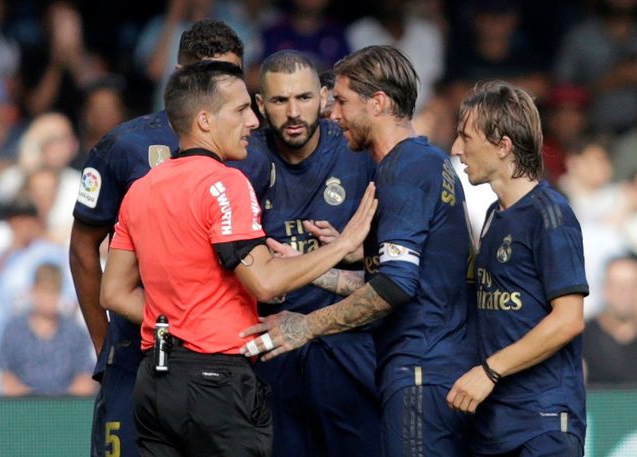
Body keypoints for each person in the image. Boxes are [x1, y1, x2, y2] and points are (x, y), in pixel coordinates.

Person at [99, 60, 376, 457]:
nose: (252, 121)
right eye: (241, 109)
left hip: (156, 381)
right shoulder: (226, 183)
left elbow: (113, 292)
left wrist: (178, 325)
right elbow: (263, 281)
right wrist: (341, 245)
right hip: (217, 381)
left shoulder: (142, 189)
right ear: (206, 121)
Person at [240, 45, 477, 457]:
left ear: (378, 103)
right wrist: (313, 270)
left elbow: (396, 286)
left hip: (422, 368)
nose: (334, 115)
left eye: (343, 102)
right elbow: (409, 279)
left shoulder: (404, 170)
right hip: (424, 366)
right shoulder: (418, 162)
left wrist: (306, 325)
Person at [69, 19, 245, 457]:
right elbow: (82, 248)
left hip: (223, 358)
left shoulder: (251, 149)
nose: (217, 86)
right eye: (205, 74)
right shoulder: (125, 146)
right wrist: (104, 345)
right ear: (179, 75)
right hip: (137, 347)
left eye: (229, 76)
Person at [231, 50, 380, 457]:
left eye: (304, 98)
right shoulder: (243, 160)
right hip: (267, 350)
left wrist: (353, 251)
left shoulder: (358, 152)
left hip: (349, 346)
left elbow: (397, 265)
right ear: (260, 106)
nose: (293, 112)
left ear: (326, 97)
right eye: (279, 101)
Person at [448, 80, 589, 456]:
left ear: (503, 145)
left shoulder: (550, 215)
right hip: (494, 422)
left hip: (542, 423)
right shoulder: (495, 215)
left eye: (465, 137)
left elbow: (569, 319)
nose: (456, 149)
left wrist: (489, 370)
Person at [0, 262, 96, 396]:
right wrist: (34, 401)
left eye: (54, 292)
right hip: (24, 409)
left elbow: (86, 380)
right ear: (33, 291)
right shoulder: (14, 330)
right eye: (44, 291)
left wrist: (58, 402)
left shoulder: (74, 331)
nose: (49, 299)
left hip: (66, 409)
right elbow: (6, 379)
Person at [583, 255, 637, 387]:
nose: (623, 292)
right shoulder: (582, 341)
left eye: (630, 284)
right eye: (616, 284)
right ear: (605, 288)